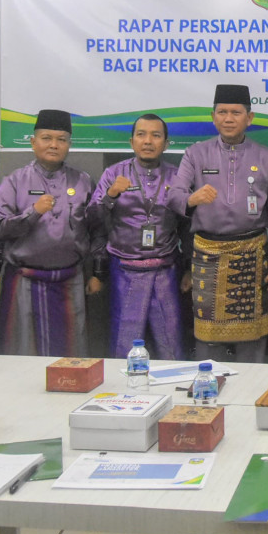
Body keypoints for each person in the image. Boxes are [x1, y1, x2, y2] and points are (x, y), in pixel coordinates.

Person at [167, 84, 268, 362]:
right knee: (208, 341)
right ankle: (209, 399)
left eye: (235, 112)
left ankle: (250, 396)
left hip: (253, 256)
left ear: (250, 117)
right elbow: (173, 196)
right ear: (213, 116)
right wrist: (192, 199)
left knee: (253, 340)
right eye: (222, 112)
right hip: (208, 257)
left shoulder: (267, 157)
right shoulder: (195, 154)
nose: (228, 118)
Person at [0, 109, 99, 356]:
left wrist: (96, 273)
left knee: (71, 354)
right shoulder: (14, 181)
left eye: (61, 139)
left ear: (69, 144)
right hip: (25, 280)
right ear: (33, 142)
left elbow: (95, 231)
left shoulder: (82, 181)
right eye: (46, 138)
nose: (54, 145)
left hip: (70, 280)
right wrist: (33, 212)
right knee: (22, 353)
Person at [89, 114, 189, 361]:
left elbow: (189, 227)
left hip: (165, 270)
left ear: (166, 143)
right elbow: (91, 219)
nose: (148, 141)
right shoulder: (114, 174)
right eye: (141, 135)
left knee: (171, 342)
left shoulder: (177, 177)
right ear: (131, 141)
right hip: (124, 270)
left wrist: (190, 269)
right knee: (124, 342)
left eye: (156, 135)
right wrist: (110, 196)